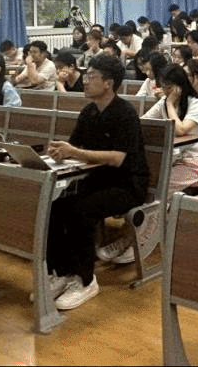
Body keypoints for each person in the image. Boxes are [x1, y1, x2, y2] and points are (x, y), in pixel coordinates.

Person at [42, 55, 148, 309]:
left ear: (108, 83)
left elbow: (117, 158)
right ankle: (61, 272)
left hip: (127, 185)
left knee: (82, 210)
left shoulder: (125, 113)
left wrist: (74, 152)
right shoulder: (88, 112)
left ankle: (85, 280)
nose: (85, 81)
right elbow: (75, 147)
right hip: (97, 180)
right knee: (55, 206)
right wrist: (59, 152)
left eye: (91, 77)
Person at [144, 64, 198, 195]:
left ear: (180, 86)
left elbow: (180, 130)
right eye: (163, 87)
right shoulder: (163, 102)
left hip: (197, 161)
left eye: (169, 87)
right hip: (172, 159)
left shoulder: (197, 104)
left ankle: (162, 208)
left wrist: (170, 104)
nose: (165, 92)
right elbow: (145, 121)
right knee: (143, 179)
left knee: (160, 183)